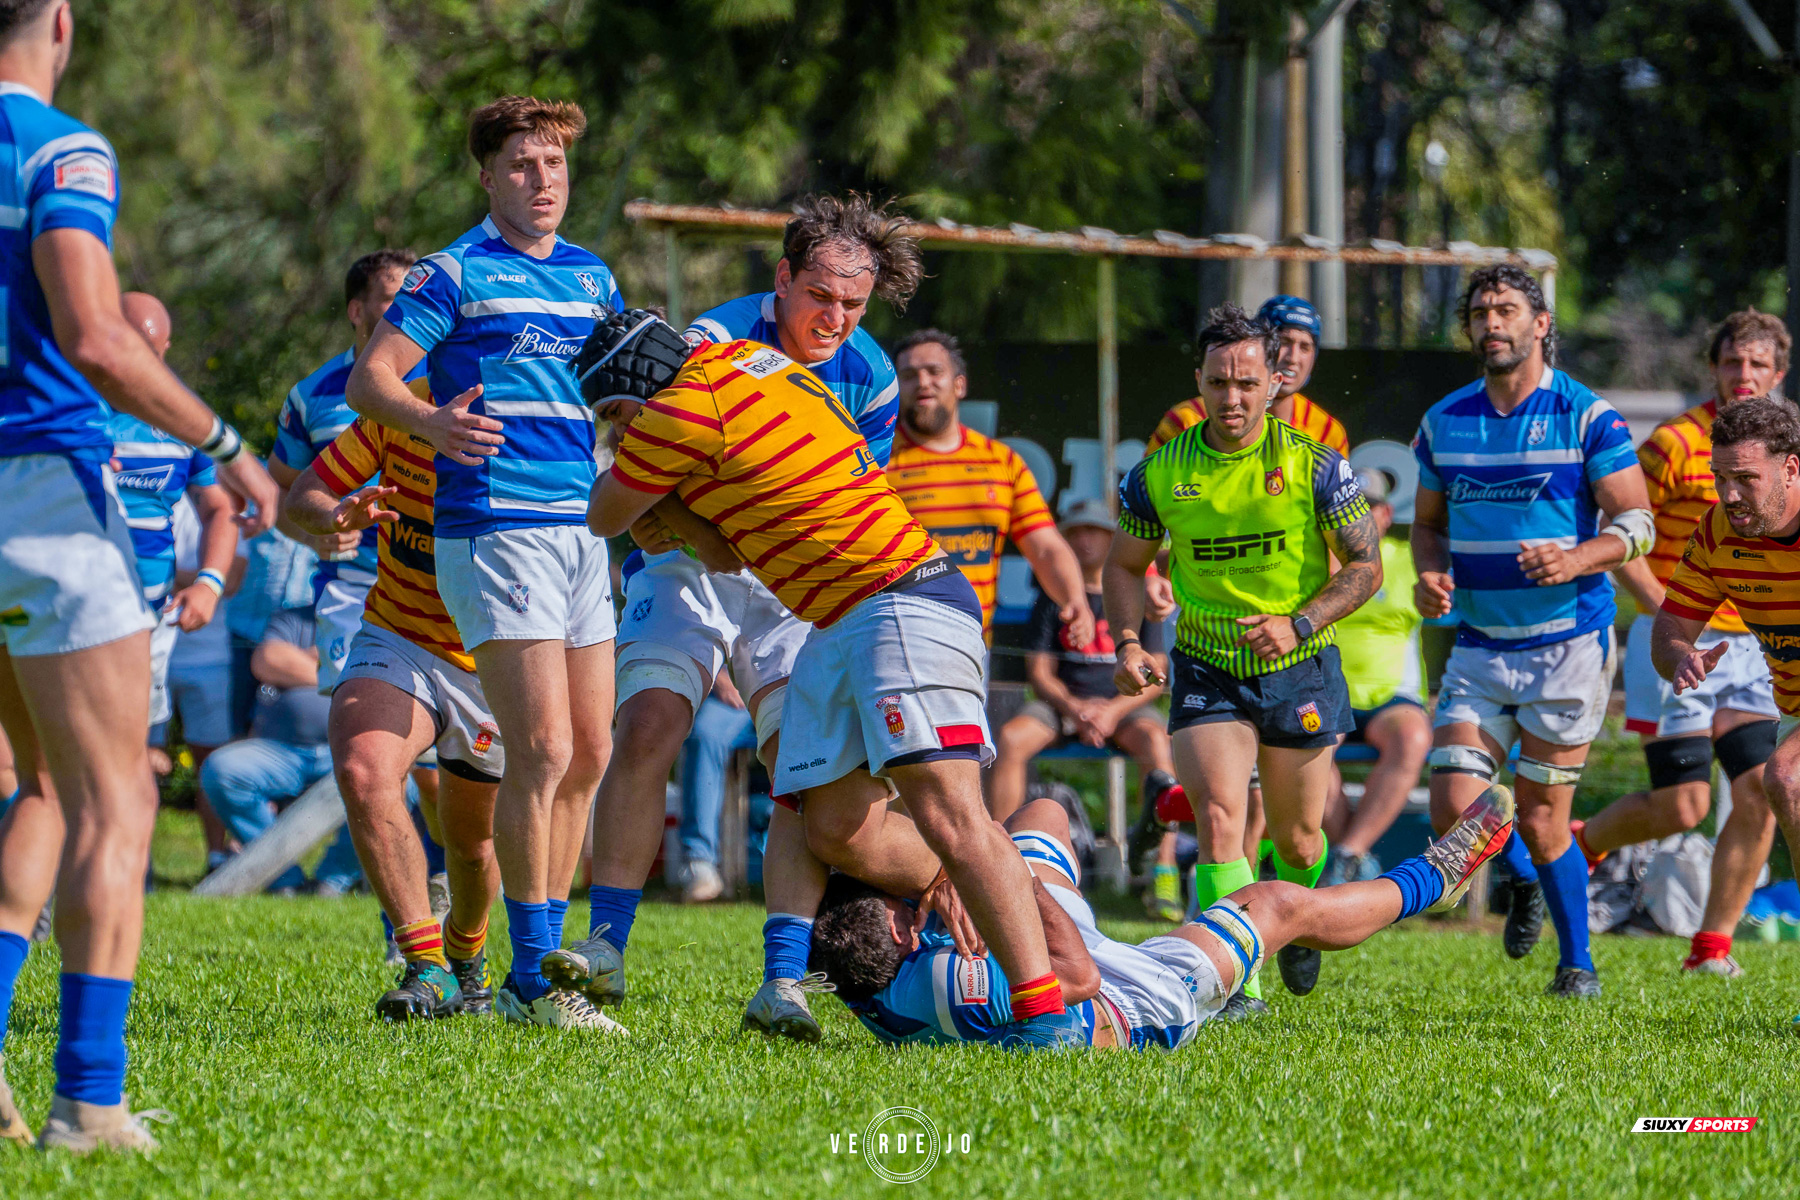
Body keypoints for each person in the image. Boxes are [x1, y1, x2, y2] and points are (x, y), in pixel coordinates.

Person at [583, 310, 1086, 1049]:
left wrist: (655, 504)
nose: (618, 434)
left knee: (952, 818)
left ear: (635, 391)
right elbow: (724, 553)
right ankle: (788, 978)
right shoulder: (754, 366)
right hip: (835, 619)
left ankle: (1046, 1019)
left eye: (613, 415)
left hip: (898, 600)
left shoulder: (677, 410)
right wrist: (680, 514)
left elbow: (603, 512)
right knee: (824, 817)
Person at [0, 0, 278, 1153]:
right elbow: (99, 338)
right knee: (113, 799)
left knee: (40, 795)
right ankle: (90, 1100)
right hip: (49, 498)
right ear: (59, 21)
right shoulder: (60, 146)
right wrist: (230, 449)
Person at [550, 196, 922, 1044]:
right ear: (782, 278)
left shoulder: (872, 375)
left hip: (791, 579)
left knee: (801, 765)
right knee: (646, 727)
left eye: (852, 305)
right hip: (685, 558)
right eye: (819, 296)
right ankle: (605, 946)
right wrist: (693, 535)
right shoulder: (713, 341)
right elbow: (637, 475)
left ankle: (783, 982)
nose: (833, 318)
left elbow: (857, 498)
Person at [347, 95, 623, 1029]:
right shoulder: (454, 271)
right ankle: (536, 978)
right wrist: (431, 422)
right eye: (519, 165)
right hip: (498, 526)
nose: (540, 181)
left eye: (552, 164)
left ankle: (536, 972)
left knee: (590, 753)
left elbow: (614, 401)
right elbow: (369, 380)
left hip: (584, 528)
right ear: (486, 175)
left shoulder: (593, 278)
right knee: (539, 751)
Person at [1104, 303, 1382, 1019]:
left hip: (1302, 665)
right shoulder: (1159, 473)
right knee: (1221, 816)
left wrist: (1301, 622)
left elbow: (1366, 565)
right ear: (1198, 380)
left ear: (1273, 384)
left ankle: (1295, 919)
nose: (1233, 398)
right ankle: (1238, 987)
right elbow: (1124, 566)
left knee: (1298, 838)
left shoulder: (1315, 466)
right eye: (1219, 382)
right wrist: (1131, 642)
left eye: (1247, 383)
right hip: (1207, 664)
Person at [809, 781, 1515, 1048]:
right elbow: (1075, 977)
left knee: (1046, 808)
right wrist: (996, 868)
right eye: (904, 902)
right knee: (1279, 903)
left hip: (1036, 940)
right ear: (907, 931)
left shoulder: (866, 973)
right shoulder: (946, 983)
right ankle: (1435, 880)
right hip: (1136, 999)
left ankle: (1154, 817)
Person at [1411, 264, 1653, 999]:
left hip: (1568, 646)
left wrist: (1579, 556)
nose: (1493, 323)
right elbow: (1426, 525)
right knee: (1455, 805)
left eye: (1508, 309)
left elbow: (1637, 524)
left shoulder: (1589, 416)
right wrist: (1428, 575)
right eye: (1481, 312)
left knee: (1547, 822)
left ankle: (1576, 964)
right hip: (1481, 645)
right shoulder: (1444, 420)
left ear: (1541, 323)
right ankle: (1520, 885)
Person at [1577, 312, 1788, 978]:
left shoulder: (1786, 446)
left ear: (1778, 373)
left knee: (1764, 787)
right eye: (1733, 363)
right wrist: (1665, 622)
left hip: (1759, 648)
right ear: (1715, 368)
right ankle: (1574, 849)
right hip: (1685, 636)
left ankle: (1711, 947)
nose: (1744, 376)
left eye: (1758, 365)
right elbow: (1624, 525)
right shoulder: (1676, 444)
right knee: (1685, 804)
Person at [286, 415, 513, 1025]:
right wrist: (338, 516)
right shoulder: (397, 414)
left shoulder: (531, 416)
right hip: (397, 632)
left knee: (470, 845)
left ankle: (468, 954)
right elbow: (302, 495)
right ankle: (425, 964)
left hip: (494, 655)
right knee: (363, 769)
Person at [1650, 397, 1800, 1026]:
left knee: (1785, 778)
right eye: (1721, 478)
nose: (1730, 495)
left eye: (1747, 479)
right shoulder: (1717, 534)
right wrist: (1681, 655)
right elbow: (1668, 630)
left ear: (1791, 469)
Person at [269, 249, 419, 694]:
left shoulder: (449, 381)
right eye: (394, 298)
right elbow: (276, 494)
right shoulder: (311, 395)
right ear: (357, 310)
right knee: (358, 736)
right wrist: (315, 532)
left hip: (435, 581)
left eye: (416, 296)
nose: (410, 308)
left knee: (443, 750)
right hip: (351, 586)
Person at [887, 328, 1092, 640]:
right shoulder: (877, 462)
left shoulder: (1002, 462)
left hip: (974, 645)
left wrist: (1075, 599)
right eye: (909, 375)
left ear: (960, 384)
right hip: (896, 640)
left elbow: (1045, 547)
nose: (923, 382)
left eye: (934, 371)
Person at [989, 498, 1173, 816]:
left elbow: (1158, 674)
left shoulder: (1135, 593)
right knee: (1010, 738)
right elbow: (1041, 673)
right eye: (1073, 533)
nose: (1083, 540)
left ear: (1112, 537)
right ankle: (1003, 849)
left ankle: (1160, 859)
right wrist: (1076, 709)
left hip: (1126, 707)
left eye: (1092, 531)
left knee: (1157, 742)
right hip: (1062, 709)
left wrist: (1112, 712)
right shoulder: (1051, 597)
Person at [109, 292, 239, 738]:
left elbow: (219, 505)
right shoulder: (73, 410)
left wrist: (209, 582)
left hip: (150, 619)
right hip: (71, 609)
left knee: (132, 755)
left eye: (150, 349)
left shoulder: (185, 420)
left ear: (165, 349)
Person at [1319, 469, 1432, 885]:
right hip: (1329, 692)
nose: (1356, 515)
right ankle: (1347, 860)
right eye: (1348, 507)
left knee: (1413, 738)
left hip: (1392, 698)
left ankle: (1349, 853)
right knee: (1312, 745)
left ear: (1385, 514)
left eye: (1366, 507)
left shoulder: (1409, 560)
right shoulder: (1316, 559)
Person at [202, 605, 360, 894]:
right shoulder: (293, 618)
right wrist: (346, 673)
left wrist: (308, 663)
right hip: (281, 751)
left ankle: (332, 881)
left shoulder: (377, 620)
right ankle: (282, 878)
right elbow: (267, 661)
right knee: (222, 770)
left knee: (401, 782)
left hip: (349, 753)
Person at [1145, 295, 1350, 457]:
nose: (1293, 358)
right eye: (1284, 342)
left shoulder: (1327, 432)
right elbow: (1141, 500)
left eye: (1305, 347)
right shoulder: (1186, 421)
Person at [675, 673, 757, 904]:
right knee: (704, 734)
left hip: (788, 684)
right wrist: (719, 678)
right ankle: (699, 864)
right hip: (734, 694)